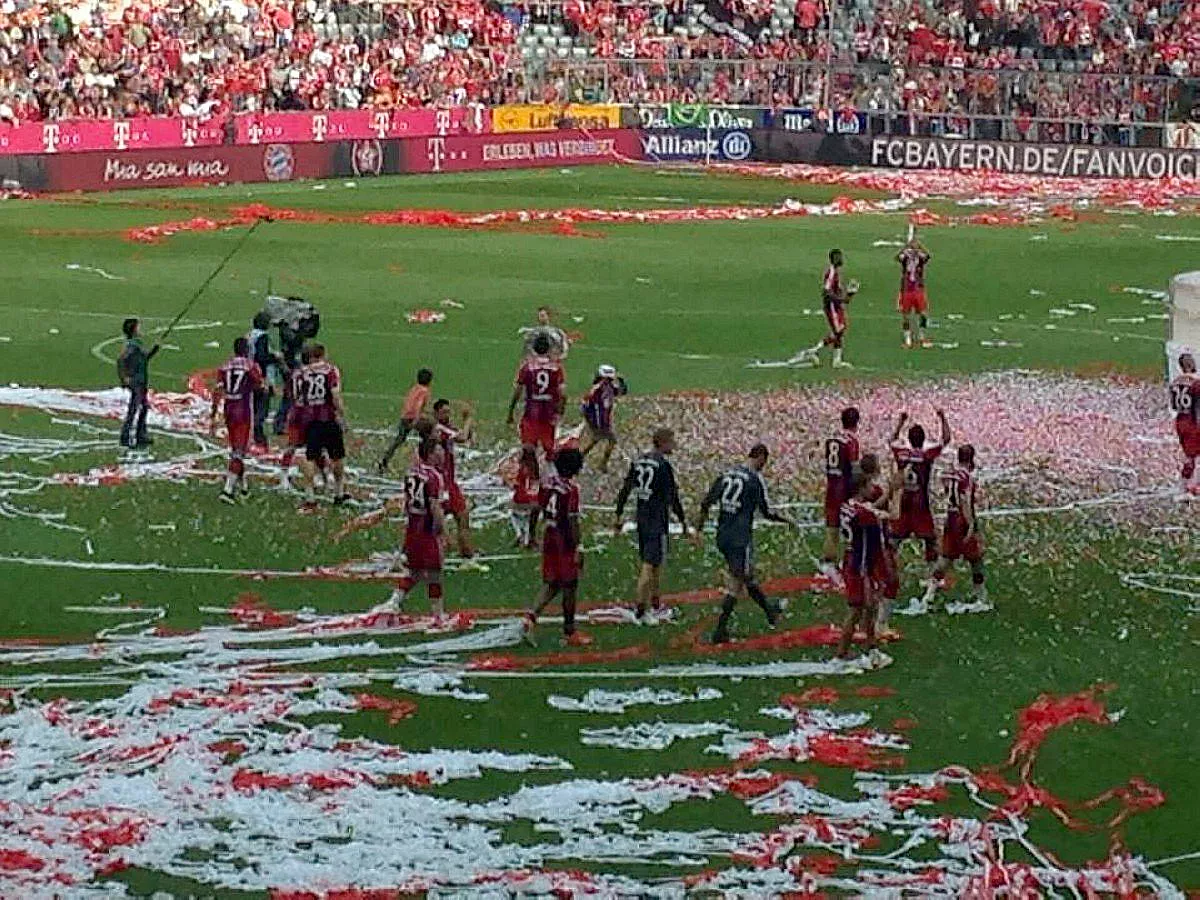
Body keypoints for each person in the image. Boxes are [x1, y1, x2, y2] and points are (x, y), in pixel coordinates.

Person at [697, 444, 796, 644]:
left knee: (746, 575)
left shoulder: (726, 474)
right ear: (760, 457)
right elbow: (766, 512)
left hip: (723, 534)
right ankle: (720, 630)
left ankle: (770, 612)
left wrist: (698, 528)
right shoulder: (753, 479)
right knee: (737, 582)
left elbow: (706, 502)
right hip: (740, 538)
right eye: (764, 462)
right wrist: (787, 521)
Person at [613, 427, 691, 622]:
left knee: (655, 563)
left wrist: (618, 514)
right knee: (649, 566)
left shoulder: (639, 461)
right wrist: (682, 520)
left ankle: (656, 603)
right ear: (663, 442)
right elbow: (672, 496)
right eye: (672, 441)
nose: (674, 445)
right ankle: (639, 608)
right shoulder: (663, 465)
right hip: (656, 519)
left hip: (642, 517)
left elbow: (625, 488)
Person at [375, 437, 448, 616]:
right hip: (426, 526)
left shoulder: (411, 473)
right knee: (434, 572)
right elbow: (434, 506)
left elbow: (408, 501)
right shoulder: (434, 476)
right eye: (439, 450)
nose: (443, 453)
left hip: (413, 524)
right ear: (430, 454)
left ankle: (394, 600)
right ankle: (438, 615)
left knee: (415, 570)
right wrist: (441, 531)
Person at [523, 448, 588, 647]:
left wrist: (531, 534)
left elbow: (535, 508)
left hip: (549, 534)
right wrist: (578, 546)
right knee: (570, 584)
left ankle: (530, 617)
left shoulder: (547, 484)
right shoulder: (570, 490)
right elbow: (571, 520)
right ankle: (570, 631)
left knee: (553, 582)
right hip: (563, 538)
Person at [837, 454, 892, 663]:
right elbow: (888, 518)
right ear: (861, 488)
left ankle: (871, 647)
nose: (872, 489)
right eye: (869, 485)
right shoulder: (865, 515)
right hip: (860, 566)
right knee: (857, 609)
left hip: (851, 558)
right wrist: (895, 492)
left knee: (868, 607)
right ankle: (841, 654)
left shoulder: (847, 506)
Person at [923, 444, 988, 610]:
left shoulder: (950, 474)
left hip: (949, 517)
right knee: (976, 559)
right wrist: (971, 524)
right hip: (961, 519)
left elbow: (945, 490)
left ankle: (929, 593)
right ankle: (980, 594)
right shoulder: (967, 477)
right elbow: (965, 500)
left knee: (946, 557)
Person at [888, 409, 950, 578]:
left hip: (904, 503)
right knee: (930, 540)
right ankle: (931, 575)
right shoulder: (926, 455)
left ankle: (887, 569)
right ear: (923, 440)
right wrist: (942, 418)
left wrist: (901, 421)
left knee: (894, 540)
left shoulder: (901, 453)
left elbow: (891, 440)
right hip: (921, 505)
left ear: (908, 439)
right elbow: (946, 440)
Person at [210, 337, 265, 504]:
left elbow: (217, 389)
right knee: (239, 451)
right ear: (247, 349)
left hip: (229, 409)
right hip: (243, 410)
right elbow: (259, 386)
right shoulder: (251, 366)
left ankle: (244, 486)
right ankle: (227, 490)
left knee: (236, 448)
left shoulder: (224, 366)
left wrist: (213, 413)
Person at [299, 343, 349, 506]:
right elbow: (335, 394)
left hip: (310, 420)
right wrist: (342, 415)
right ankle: (339, 492)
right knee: (337, 456)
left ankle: (309, 495)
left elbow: (298, 396)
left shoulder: (303, 372)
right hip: (328, 418)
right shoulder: (330, 370)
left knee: (310, 456)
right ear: (323, 355)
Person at [796, 249, 858, 369]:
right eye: (838, 257)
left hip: (836, 306)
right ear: (833, 259)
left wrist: (848, 295)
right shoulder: (831, 273)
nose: (841, 259)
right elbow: (827, 292)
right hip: (832, 307)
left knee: (840, 330)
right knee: (838, 331)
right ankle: (818, 352)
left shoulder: (837, 272)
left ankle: (835, 359)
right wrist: (841, 300)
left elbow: (836, 292)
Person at [820, 407, 862, 581]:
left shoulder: (831, 440)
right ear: (857, 422)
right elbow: (853, 467)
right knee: (849, 528)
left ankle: (827, 565)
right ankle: (849, 563)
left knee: (832, 528)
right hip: (844, 488)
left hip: (831, 485)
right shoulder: (851, 441)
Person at [508, 334, 566, 459]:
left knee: (528, 450)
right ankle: (551, 476)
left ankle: (531, 476)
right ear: (549, 349)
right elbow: (562, 393)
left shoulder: (527, 367)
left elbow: (518, 391)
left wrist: (511, 412)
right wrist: (560, 412)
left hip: (531, 414)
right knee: (550, 451)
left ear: (534, 348)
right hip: (548, 414)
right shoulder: (556, 368)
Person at [432, 398, 476, 558]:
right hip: (442, 484)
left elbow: (467, 437)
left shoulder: (447, 428)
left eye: (448, 412)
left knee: (462, 516)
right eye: (443, 412)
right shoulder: (439, 429)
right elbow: (463, 437)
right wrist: (468, 419)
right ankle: (459, 551)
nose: (447, 414)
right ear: (435, 413)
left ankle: (464, 551)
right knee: (453, 518)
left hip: (449, 482)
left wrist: (467, 423)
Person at [378, 368, 433, 474]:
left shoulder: (414, 388)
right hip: (412, 418)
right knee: (429, 433)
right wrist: (416, 420)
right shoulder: (425, 391)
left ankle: (385, 460)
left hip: (404, 417)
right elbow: (418, 406)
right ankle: (424, 460)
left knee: (399, 440)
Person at [116, 318, 159, 451]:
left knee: (144, 407)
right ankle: (126, 435)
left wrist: (155, 349)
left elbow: (144, 358)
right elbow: (121, 360)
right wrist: (125, 378)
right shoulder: (132, 346)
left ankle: (140, 434)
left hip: (141, 380)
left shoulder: (136, 345)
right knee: (134, 409)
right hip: (136, 381)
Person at [580, 364, 628, 472]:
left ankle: (581, 456)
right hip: (598, 420)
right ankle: (602, 463)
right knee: (611, 440)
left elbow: (621, 392)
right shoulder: (597, 390)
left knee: (596, 439)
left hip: (602, 419)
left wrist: (622, 382)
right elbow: (587, 405)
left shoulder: (608, 387)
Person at [279, 346, 313, 491]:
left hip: (294, 411)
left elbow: (288, 393)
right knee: (313, 445)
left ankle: (283, 476)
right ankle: (316, 477)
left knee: (291, 445)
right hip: (308, 413)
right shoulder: (313, 374)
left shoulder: (294, 374)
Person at [247, 311, 282, 449]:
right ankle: (259, 436)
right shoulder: (262, 337)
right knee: (262, 406)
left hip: (250, 373)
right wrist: (275, 357)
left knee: (255, 405)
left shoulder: (250, 335)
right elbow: (262, 357)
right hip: (261, 375)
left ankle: (255, 433)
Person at [1169, 353, 1200, 495]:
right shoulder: (1196, 383)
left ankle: (1183, 484)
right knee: (1196, 456)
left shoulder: (1175, 382)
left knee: (1190, 456)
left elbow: (1175, 406)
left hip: (1180, 421)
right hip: (1192, 422)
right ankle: (1192, 487)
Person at [897, 238, 932, 349]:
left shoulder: (920, 258)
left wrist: (920, 246)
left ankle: (921, 336)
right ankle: (908, 339)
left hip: (918, 289)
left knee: (923, 313)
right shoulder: (906, 257)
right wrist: (906, 247)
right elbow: (898, 257)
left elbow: (927, 256)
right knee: (906, 315)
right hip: (907, 289)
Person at [509, 447, 541, 548]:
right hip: (532, 499)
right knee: (528, 519)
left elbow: (517, 484)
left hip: (520, 499)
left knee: (513, 514)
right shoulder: (535, 470)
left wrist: (513, 485)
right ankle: (528, 539)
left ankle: (519, 534)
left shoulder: (521, 468)